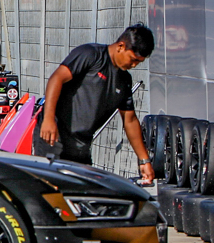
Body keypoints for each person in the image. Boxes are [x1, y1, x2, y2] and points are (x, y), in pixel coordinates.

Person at [35, 24, 155, 182]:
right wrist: (49, 119)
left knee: (84, 195)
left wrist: (144, 160)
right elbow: (56, 79)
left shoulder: (124, 80)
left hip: (81, 147)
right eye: (133, 60)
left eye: (138, 62)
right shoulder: (90, 55)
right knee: (52, 192)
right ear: (120, 46)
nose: (133, 66)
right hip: (54, 138)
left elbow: (130, 120)